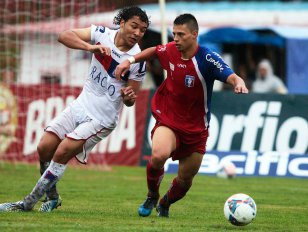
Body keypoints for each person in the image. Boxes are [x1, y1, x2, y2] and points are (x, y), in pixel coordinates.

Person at [0, 6, 149, 212]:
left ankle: (27, 203)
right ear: (122, 23)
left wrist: (128, 96)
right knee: (44, 148)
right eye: (134, 26)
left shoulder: (137, 61)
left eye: (142, 30)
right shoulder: (101, 33)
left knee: (61, 152)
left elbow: (131, 99)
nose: (137, 33)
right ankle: (52, 197)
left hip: (102, 119)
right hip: (81, 104)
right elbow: (64, 36)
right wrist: (90, 48)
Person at [115, 13, 248, 218]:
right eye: (174, 33)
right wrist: (129, 60)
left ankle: (165, 202)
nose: (175, 39)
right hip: (168, 119)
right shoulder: (170, 50)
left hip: (196, 129)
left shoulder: (207, 58)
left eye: (181, 34)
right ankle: (152, 195)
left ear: (194, 35)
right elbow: (153, 51)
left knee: (185, 181)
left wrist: (238, 83)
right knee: (158, 156)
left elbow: (230, 74)